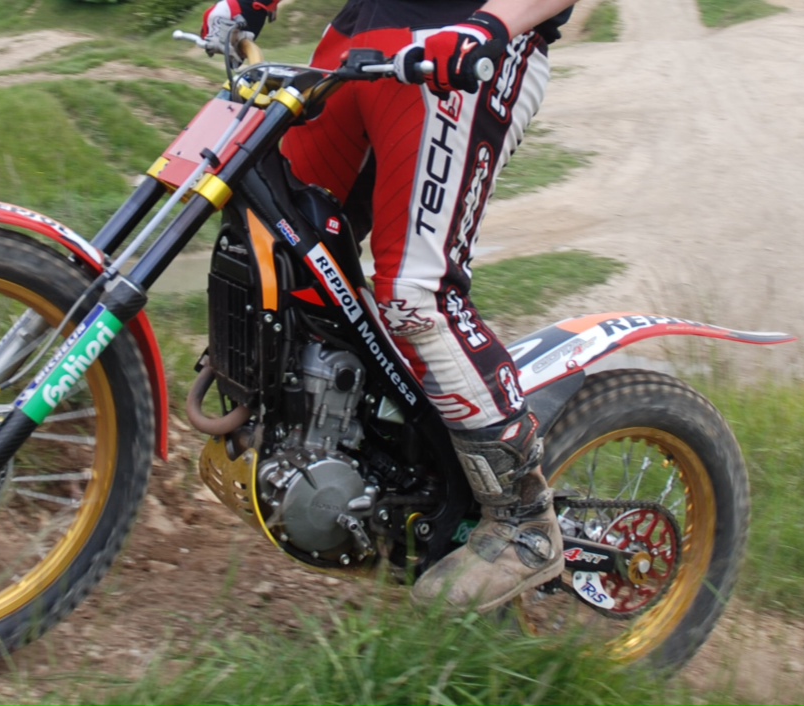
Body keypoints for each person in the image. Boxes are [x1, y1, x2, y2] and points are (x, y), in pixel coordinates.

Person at [201, 0, 579, 613]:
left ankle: (523, 522)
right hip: (361, 33)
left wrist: (490, 25)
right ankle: (349, 453)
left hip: (462, 42)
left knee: (414, 295)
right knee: (279, 247)